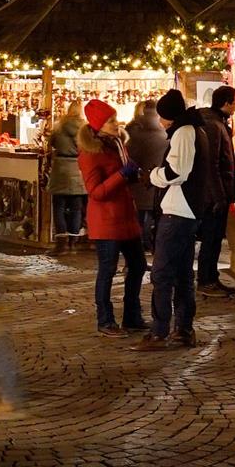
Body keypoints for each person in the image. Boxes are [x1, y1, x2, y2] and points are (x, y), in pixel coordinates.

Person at [138, 89, 203, 350]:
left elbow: (177, 172)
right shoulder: (194, 130)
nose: (161, 123)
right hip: (185, 211)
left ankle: (160, 331)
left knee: (163, 273)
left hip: (178, 210)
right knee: (182, 274)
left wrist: (152, 176)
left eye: (163, 118)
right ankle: (183, 329)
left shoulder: (185, 132)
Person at [80, 99, 145, 335]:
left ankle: (132, 315)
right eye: (110, 120)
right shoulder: (90, 154)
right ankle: (105, 320)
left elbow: (121, 178)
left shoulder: (118, 145)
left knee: (138, 265)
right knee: (107, 269)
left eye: (115, 118)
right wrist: (121, 175)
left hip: (126, 216)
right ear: (98, 126)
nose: (116, 123)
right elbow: (96, 192)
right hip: (106, 220)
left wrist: (133, 175)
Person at [194, 87, 235, 297]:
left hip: (215, 192)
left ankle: (211, 277)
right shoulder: (213, 125)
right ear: (226, 102)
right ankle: (206, 279)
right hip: (214, 194)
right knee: (211, 238)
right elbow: (212, 164)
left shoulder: (216, 122)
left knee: (213, 238)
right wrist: (218, 195)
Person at [125, 99, 167, 259]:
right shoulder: (164, 131)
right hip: (157, 181)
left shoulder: (132, 131)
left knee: (139, 218)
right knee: (156, 217)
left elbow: (128, 156)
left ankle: (137, 253)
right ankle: (155, 250)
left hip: (137, 181)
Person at [46, 99, 86, 242]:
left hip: (60, 168)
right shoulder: (85, 129)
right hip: (77, 168)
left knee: (59, 205)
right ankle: (73, 238)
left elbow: (50, 144)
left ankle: (61, 238)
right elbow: (87, 148)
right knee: (76, 206)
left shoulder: (58, 126)